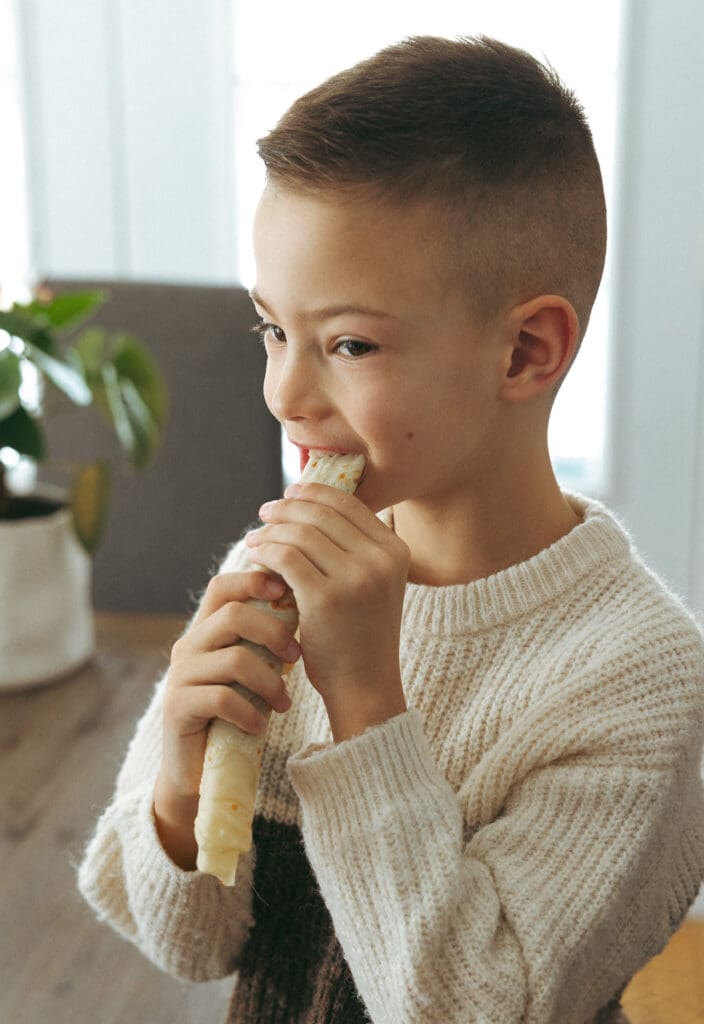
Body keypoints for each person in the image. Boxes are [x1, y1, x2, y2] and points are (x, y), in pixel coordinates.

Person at [77, 34, 704, 1024]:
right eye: (272, 329)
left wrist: (366, 700)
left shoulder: (634, 677)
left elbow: (474, 1008)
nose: (284, 394)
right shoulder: (272, 570)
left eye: (350, 344)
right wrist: (181, 781)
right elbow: (189, 945)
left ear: (524, 350)